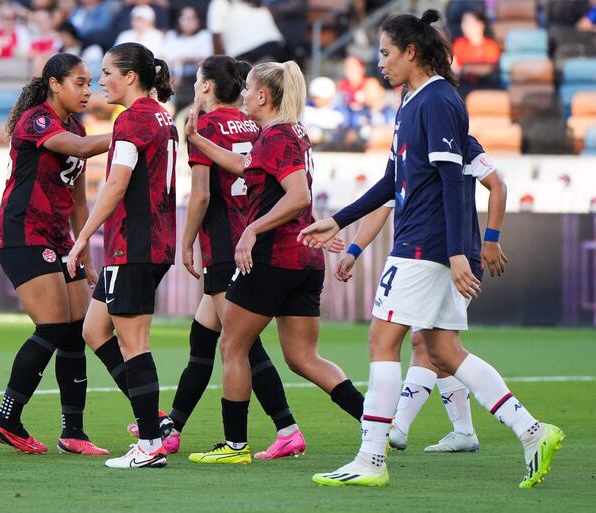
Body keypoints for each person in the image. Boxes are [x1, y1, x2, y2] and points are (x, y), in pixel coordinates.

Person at [301, 10, 563, 489]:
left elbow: (451, 180)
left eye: (385, 53)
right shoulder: (412, 100)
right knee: (443, 349)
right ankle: (532, 431)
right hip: (431, 245)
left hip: (423, 245)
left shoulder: (438, 100)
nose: (380, 62)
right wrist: (336, 220)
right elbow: (390, 181)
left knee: (382, 341)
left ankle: (371, 460)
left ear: (411, 52)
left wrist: (461, 251)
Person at [183, 61, 365, 465]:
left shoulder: (278, 134)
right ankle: (376, 426)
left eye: (248, 88)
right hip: (305, 258)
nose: (244, 94)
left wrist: (251, 231)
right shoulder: (288, 132)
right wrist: (198, 139)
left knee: (233, 345)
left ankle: (234, 447)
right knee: (303, 357)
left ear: (263, 96)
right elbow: (247, 168)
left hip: (273, 257)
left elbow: (298, 195)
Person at [148, 55, 307, 459]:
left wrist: (185, 243)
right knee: (203, 339)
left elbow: (200, 194)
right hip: (248, 234)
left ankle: (284, 428)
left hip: (224, 244)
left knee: (240, 345)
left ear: (205, 86)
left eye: (199, 80)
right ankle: (174, 427)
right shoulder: (254, 122)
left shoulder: (205, 124)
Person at [335, 135, 508, 453]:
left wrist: (491, 239)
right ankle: (464, 431)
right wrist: (354, 249)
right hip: (427, 256)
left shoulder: (460, 143)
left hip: (454, 258)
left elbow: (497, 185)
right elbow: (383, 204)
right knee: (435, 344)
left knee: (427, 343)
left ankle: (398, 425)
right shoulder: (405, 145)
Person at [0, 53, 112, 456]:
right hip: (23, 232)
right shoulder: (38, 120)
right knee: (53, 327)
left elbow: (78, 200)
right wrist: (135, 129)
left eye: (90, 82)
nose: (88, 90)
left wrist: (84, 251)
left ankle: (73, 432)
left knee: (75, 331)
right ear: (55, 84)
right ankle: (7, 418)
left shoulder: (78, 124)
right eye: (80, 82)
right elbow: (80, 148)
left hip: (59, 239)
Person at [66, 42, 178, 469]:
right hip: (149, 241)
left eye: (108, 72)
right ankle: (157, 424)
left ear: (131, 76)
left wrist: (81, 240)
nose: (100, 82)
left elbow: (116, 185)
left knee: (135, 344)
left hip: (134, 244)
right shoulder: (161, 117)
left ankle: (149, 441)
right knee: (95, 330)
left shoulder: (132, 118)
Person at [208, 0, 284, 62]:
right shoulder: (222, 3)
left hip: (248, 57)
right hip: (276, 49)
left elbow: (216, 36)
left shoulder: (219, 2)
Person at [452, 10, 499, 85]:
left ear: (480, 24)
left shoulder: (490, 45)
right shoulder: (459, 43)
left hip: (485, 85)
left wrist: (463, 69)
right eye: (462, 22)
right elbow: (453, 65)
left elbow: (489, 69)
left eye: (467, 22)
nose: (463, 26)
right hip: (463, 84)